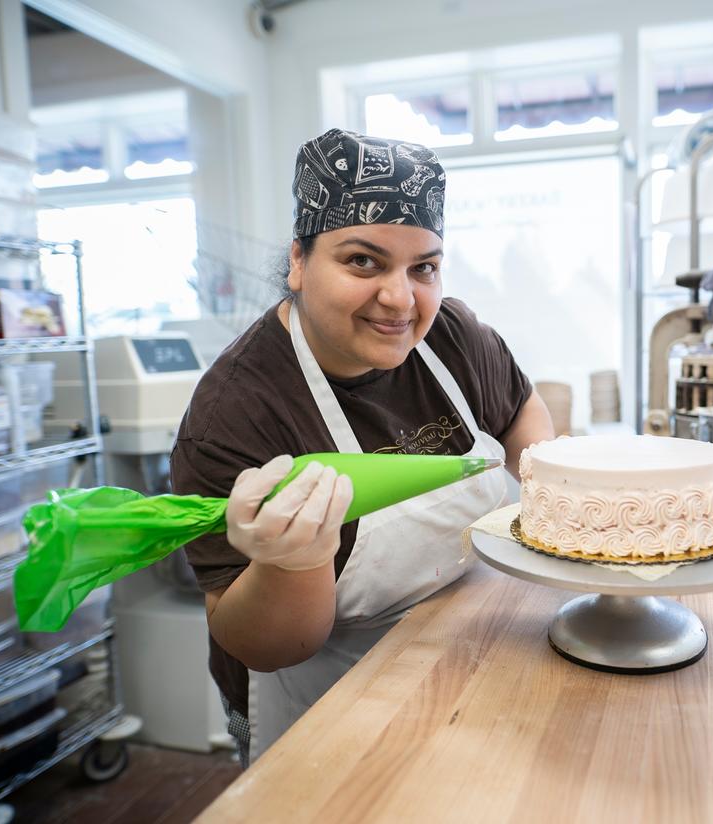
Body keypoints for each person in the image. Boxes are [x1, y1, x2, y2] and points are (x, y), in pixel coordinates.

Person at [170, 128, 554, 765]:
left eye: (422, 267)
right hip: (321, 693)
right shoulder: (236, 414)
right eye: (363, 261)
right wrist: (292, 562)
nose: (400, 299)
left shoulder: (450, 334)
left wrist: (561, 503)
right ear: (298, 260)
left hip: (462, 654)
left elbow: (520, 413)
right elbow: (267, 645)